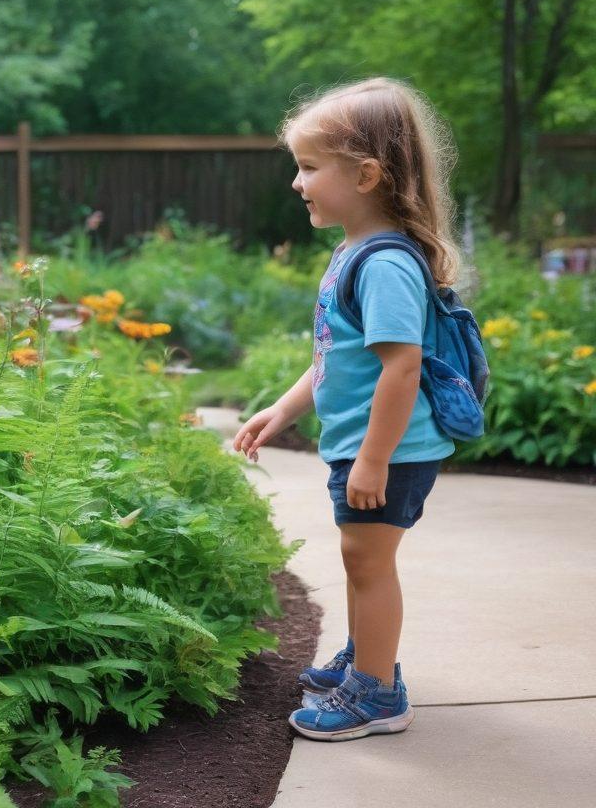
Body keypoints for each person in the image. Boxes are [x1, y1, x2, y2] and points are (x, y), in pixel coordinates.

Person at [232, 77, 462, 741]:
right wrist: (282, 410)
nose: (297, 183)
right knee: (361, 561)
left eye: (308, 167)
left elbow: (402, 365)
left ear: (365, 175)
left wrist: (372, 459)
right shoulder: (352, 253)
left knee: (367, 565)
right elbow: (336, 355)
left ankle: (377, 691)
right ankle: (369, 658)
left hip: (388, 453)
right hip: (369, 449)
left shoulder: (385, 264)